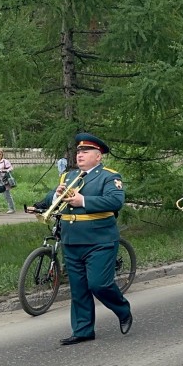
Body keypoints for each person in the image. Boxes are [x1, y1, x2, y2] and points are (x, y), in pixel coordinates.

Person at [39, 133, 133, 345]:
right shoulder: (68, 176)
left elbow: (115, 201)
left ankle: (123, 310)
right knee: (79, 288)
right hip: (71, 240)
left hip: (100, 239)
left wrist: (83, 200)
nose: (80, 155)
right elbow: (51, 197)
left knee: (99, 284)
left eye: (86, 151)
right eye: (79, 151)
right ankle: (83, 330)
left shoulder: (108, 176)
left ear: (98, 156)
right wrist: (56, 196)